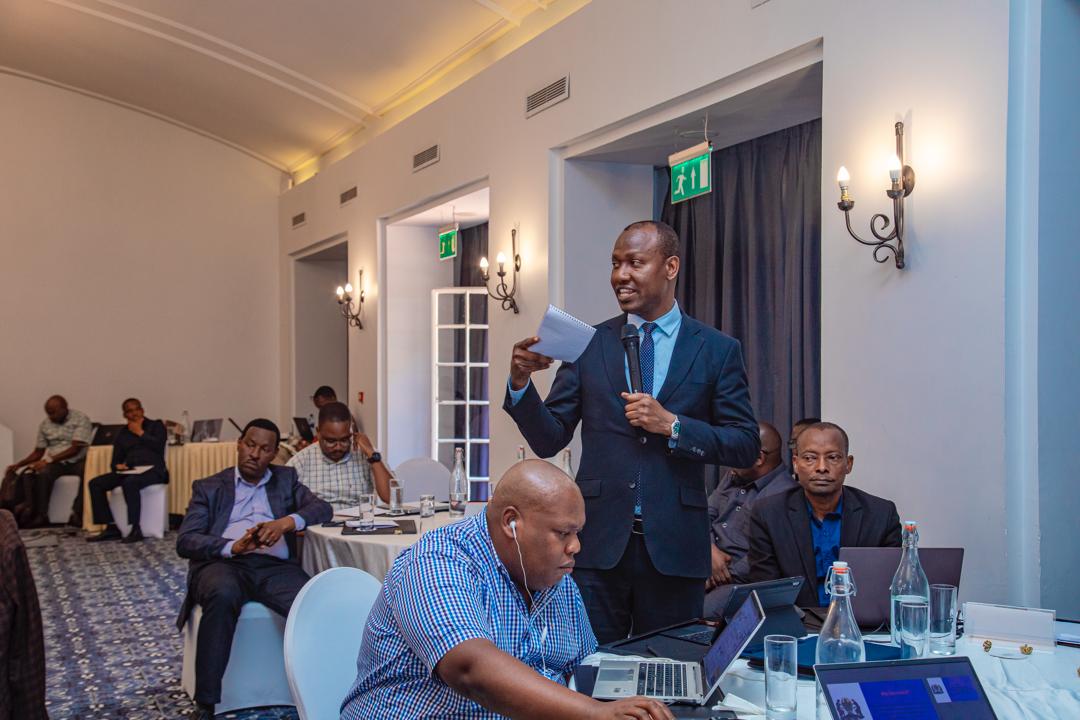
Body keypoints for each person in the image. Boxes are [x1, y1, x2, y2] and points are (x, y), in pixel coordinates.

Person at [504, 220, 759, 643]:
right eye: (615, 264)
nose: (620, 275)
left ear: (670, 266)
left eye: (635, 263)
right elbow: (549, 438)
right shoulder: (590, 343)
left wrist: (673, 426)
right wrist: (519, 384)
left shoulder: (716, 349)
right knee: (590, 662)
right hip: (596, 544)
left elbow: (745, 445)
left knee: (671, 667)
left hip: (676, 547)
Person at [340, 459, 674, 720]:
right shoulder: (437, 561)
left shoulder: (551, 575)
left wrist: (650, 685)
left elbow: (585, 665)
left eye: (577, 533)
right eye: (562, 533)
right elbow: (470, 670)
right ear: (511, 522)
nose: (576, 546)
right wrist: (594, 713)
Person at [175, 419, 332, 720]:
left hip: (273, 567)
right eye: (250, 445)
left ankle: (323, 689)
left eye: (264, 449)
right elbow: (186, 540)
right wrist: (232, 546)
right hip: (223, 564)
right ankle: (206, 703)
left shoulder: (285, 479)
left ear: (273, 454)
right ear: (239, 444)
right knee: (222, 594)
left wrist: (285, 523)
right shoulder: (209, 487)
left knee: (310, 603)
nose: (255, 454)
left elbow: (322, 508)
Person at [746, 422, 901, 608]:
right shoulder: (768, 514)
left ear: (848, 464)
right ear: (796, 464)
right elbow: (767, 592)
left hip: (859, 621)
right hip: (797, 621)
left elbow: (888, 586)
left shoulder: (881, 515)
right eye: (810, 458)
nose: (821, 467)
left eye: (833, 457)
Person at [704, 422, 796, 617]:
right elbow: (705, 515)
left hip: (738, 580)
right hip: (704, 559)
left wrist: (716, 576)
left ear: (759, 458)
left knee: (699, 608)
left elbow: (762, 557)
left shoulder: (785, 494)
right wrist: (709, 550)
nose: (729, 460)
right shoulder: (734, 475)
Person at [1, 395, 93, 528]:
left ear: (64, 408)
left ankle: (77, 513)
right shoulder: (45, 424)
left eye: (54, 413)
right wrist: (19, 464)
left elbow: (75, 449)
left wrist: (49, 460)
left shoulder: (80, 419)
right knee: (42, 473)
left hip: (78, 460)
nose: (51, 416)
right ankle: (41, 515)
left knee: (89, 472)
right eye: (48, 413)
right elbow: (38, 452)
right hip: (56, 463)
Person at [85, 398, 169, 543]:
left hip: (154, 471)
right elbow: (115, 461)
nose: (134, 413)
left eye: (137, 409)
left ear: (142, 410)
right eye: (130, 411)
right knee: (95, 483)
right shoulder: (122, 433)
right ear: (125, 415)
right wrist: (118, 466)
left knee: (130, 482)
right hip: (131, 471)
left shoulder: (156, 425)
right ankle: (111, 527)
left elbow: (159, 445)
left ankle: (136, 529)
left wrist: (140, 432)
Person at [286, 401, 391, 507]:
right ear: (318, 432)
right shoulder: (300, 461)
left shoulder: (366, 454)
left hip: (359, 516)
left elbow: (390, 497)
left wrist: (371, 453)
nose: (338, 447)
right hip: (320, 516)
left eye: (345, 440)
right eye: (331, 441)